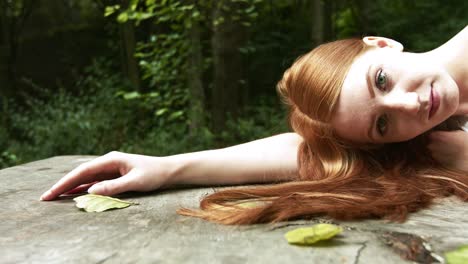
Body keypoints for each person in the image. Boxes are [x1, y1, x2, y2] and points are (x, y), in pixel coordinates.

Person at [40, 26, 468, 225]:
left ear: (381, 43)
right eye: (381, 124)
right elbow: (302, 151)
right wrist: (167, 167)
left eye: (381, 79)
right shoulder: (423, 136)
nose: (409, 104)